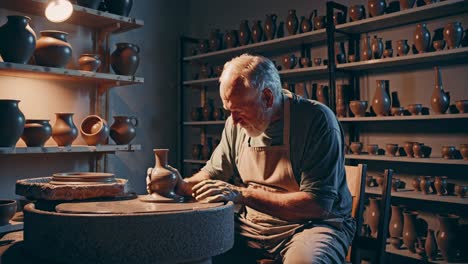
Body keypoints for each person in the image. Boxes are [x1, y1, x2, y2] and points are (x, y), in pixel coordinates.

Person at [148, 54, 355, 263]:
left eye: (238, 111)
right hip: (253, 226)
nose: (234, 121)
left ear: (267, 98)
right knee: (188, 247)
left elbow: (316, 206)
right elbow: (213, 173)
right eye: (229, 111)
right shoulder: (235, 124)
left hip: (311, 226)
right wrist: (178, 184)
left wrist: (241, 194)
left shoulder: (316, 120)